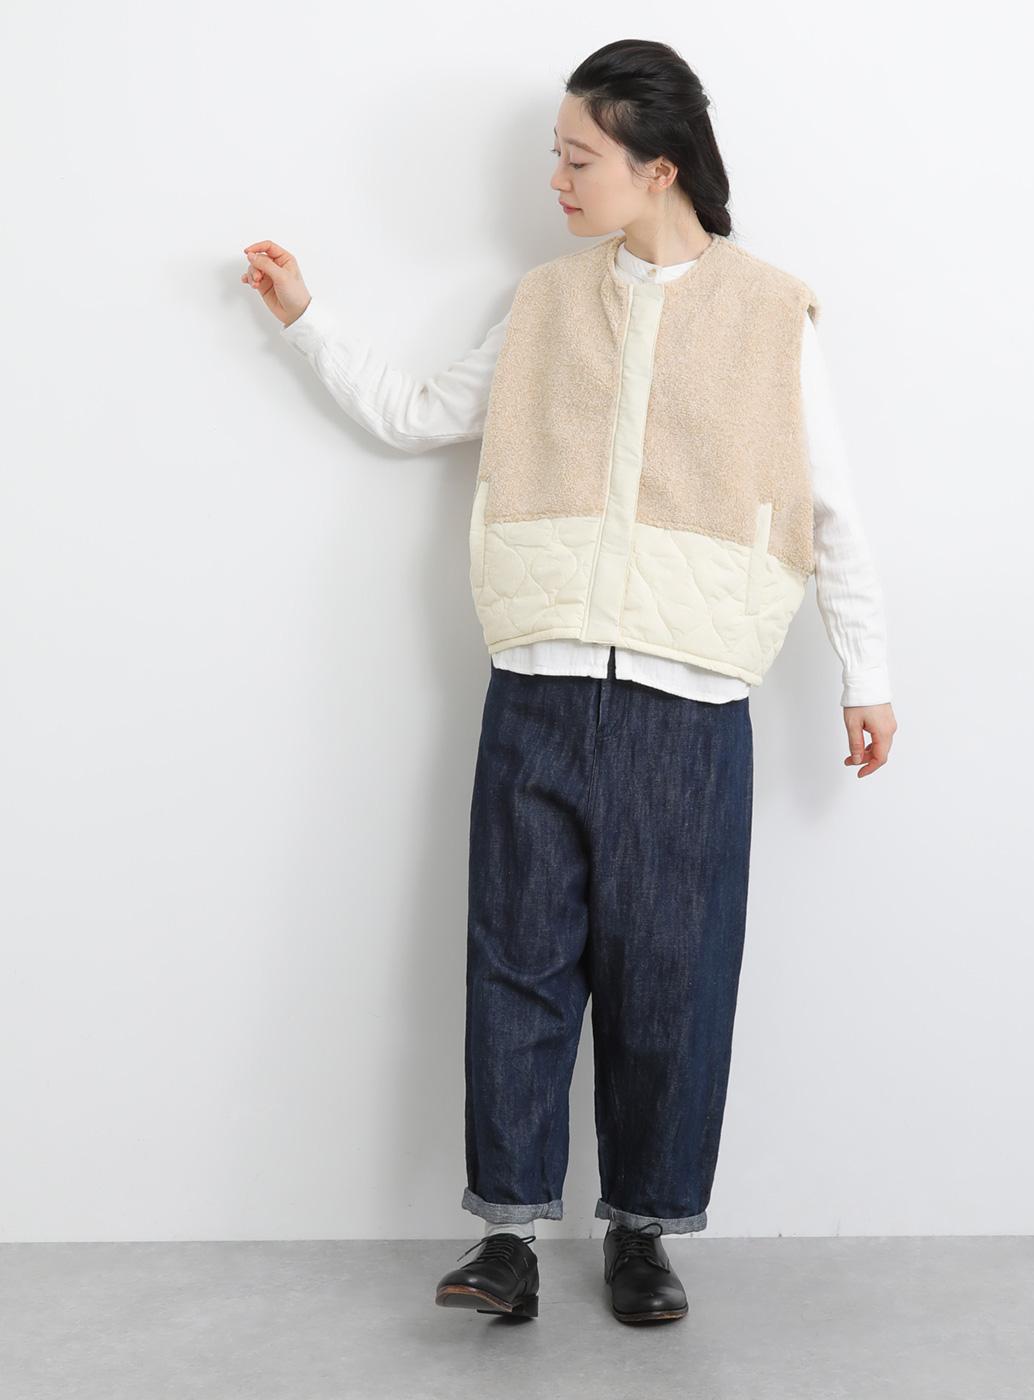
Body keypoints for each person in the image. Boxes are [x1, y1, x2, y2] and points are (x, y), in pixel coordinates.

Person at [242, 39, 897, 1327]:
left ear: (659, 169)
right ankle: (507, 1239)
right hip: (538, 685)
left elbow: (831, 509)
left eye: (577, 156)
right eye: (556, 152)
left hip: (690, 701)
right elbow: (419, 414)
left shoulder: (772, 313)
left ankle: (644, 1234)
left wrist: (865, 674)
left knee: (672, 980)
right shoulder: (544, 302)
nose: (555, 177)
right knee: (517, 965)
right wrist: (307, 318)